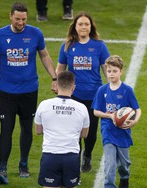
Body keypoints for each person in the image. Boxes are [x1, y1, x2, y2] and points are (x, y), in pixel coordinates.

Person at [0, 2, 57, 185]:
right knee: (6, 129)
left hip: (29, 91)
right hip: (7, 92)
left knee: (27, 128)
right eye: (18, 19)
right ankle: (2, 167)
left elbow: (44, 55)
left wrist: (54, 77)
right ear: (10, 16)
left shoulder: (35, 33)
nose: (21, 23)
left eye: (24, 19)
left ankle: (23, 164)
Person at [35, 71, 89, 188]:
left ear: (56, 86)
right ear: (73, 87)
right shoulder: (81, 108)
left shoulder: (44, 105)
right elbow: (84, 135)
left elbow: (38, 130)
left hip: (50, 156)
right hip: (71, 158)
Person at [56, 12, 110, 173]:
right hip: (74, 96)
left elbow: (106, 68)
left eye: (87, 24)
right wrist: (58, 85)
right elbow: (60, 68)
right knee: (76, 131)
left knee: (91, 133)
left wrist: (111, 87)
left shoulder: (99, 46)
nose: (84, 27)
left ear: (91, 26)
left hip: (94, 96)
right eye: (81, 24)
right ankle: (77, 160)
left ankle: (87, 154)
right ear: (75, 26)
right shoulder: (67, 46)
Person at [91, 55, 142, 188]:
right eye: (108, 71)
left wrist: (134, 121)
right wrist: (112, 116)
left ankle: (125, 177)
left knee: (124, 164)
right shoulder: (102, 90)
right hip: (108, 131)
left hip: (123, 132)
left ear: (121, 71)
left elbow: (137, 110)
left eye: (114, 71)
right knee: (110, 163)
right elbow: (96, 111)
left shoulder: (127, 90)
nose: (111, 74)